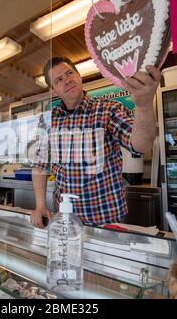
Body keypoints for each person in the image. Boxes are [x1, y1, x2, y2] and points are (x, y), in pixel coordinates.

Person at [30, 56, 160, 228]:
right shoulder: (47, 120)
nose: (67, 81)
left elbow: (141, 145)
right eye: (59, 80)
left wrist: (143, 105)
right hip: (66, 219)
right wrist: (40, 205)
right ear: (54, 91)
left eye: (69, 73)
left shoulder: (108, 109)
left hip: (107, 220)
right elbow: (39, 165)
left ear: (79, 76)